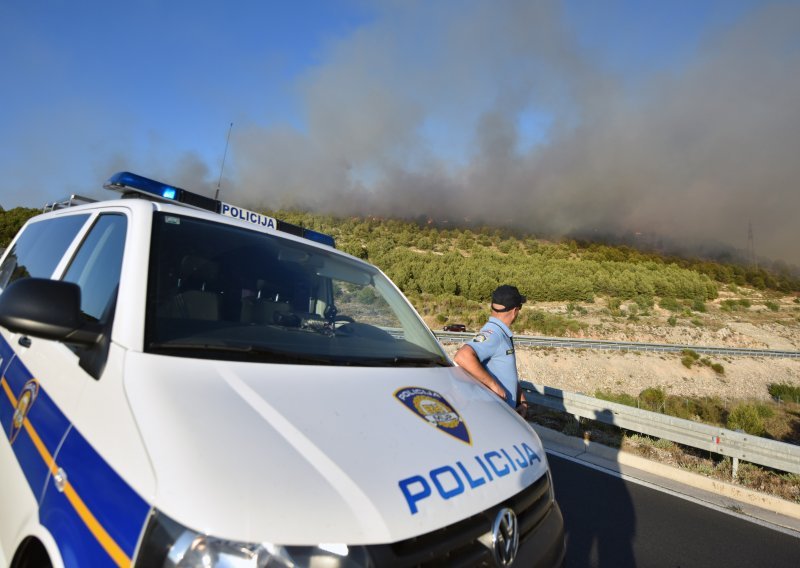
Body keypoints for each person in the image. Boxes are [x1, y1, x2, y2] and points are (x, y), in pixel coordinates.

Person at [454, 284, 528, 416]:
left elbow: (507, 372)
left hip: (509, 412)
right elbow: (463, 356)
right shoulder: (494, 333)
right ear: (515, 310)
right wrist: (494, 387)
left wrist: (521, 401)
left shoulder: (500, 332)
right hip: (498, 414)